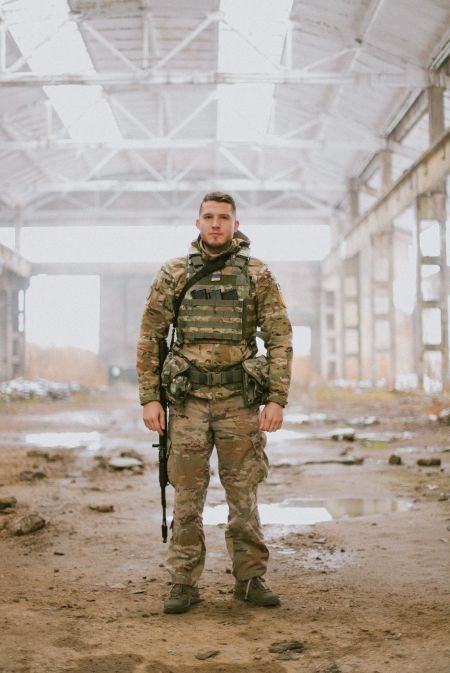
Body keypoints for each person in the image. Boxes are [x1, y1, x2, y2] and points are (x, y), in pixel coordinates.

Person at [136, 192, 292, 614]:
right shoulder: (173, 273)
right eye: (209, 216)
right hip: (187, 402)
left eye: (224, 217)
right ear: (198, 223)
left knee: (243, 494)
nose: (216, 223)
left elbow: (279, 337)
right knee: (187, 494)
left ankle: (250, 578)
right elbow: (150, 336)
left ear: (236, 225)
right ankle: (183, 582)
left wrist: (276, 398)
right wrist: (150, 398)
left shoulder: (257, 274)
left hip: (239, 401)